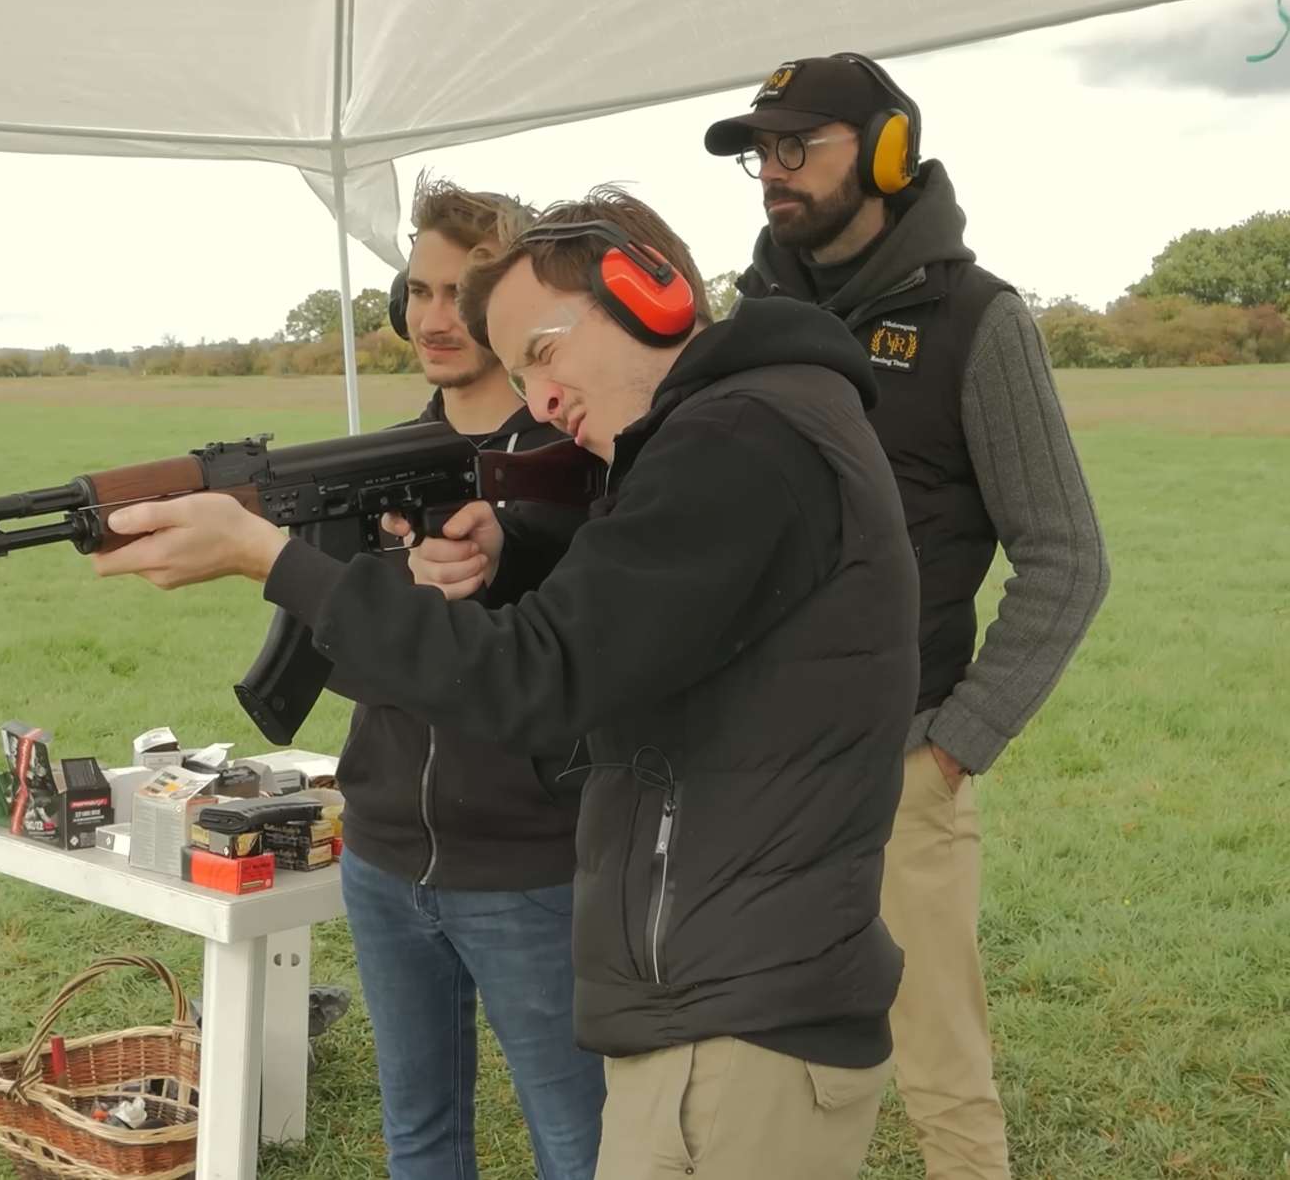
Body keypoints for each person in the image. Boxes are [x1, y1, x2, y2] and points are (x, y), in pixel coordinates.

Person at [89, 186, 921, 1179]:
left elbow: (541, 674)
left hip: (736, 1013)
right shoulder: (758, 421)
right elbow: (647, 618)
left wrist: (276, 561)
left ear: (648, 295)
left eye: (542, 352)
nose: (539, 399)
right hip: (729, 984)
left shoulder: (734, 439)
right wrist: (515, 547)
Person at [703, 54, 1110, 1180]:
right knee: (760, 1067)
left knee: (939, 1070)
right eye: (760, 153)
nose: (772, 173)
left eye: (798, 147)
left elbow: (1068, 558)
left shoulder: (981, 322)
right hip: (751, 771)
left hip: (896, 766)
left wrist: (953, 745)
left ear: (887, 150)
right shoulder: (746, 324)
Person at [338, 176, 603, 1180]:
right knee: (419, 1139)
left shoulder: (578, 459)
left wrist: (511, 553)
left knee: (576, 1144)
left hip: (529, 859)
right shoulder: (371, 468)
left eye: (459, 293)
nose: (433, 319)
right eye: (417, 290)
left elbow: (581, 648)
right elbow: (334, 657)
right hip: (381, 851)